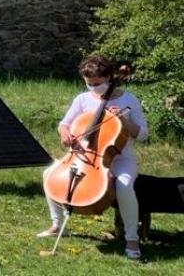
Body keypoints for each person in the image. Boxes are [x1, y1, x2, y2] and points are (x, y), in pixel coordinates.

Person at [38, 55, 148, 260]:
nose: (93, 88)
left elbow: (142, 134)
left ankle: (131, 238)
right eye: (89, 84)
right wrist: (65, 134)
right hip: (83, 155)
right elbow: (64, 124)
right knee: (48, 174)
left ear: (109, 77)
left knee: (124, 186)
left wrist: (124, 121)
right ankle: (57, 224)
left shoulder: (128, 100)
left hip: (120, 159)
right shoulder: (82, 99)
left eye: (97, 84)